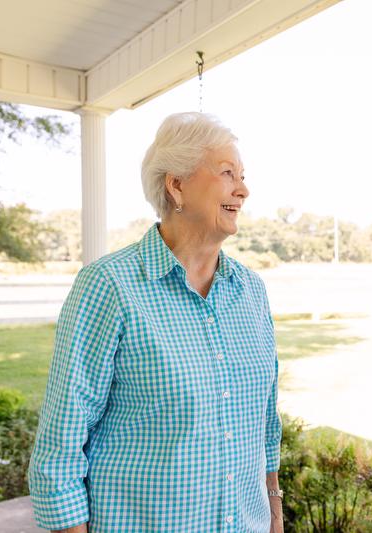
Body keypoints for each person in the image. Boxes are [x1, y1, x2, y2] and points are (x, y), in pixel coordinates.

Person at [28, 112, 283, 533]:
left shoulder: (251, 291)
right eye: (226, 173)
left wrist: (273, 511)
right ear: (176, 184)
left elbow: (265, 425)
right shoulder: (109, 285)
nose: (243, 188)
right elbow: (61, 444)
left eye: (242, 175)